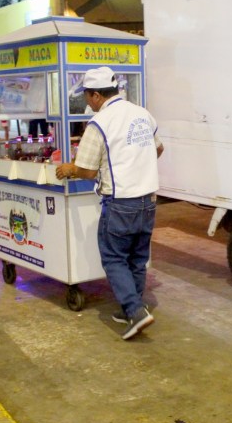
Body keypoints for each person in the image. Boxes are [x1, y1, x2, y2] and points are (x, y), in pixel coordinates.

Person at [55, 67, 164, 340]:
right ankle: (133, 309)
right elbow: (158, 148)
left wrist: (69, 168)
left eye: (87, 97)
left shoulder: (100, 123)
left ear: (94, 95)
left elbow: (88, 170)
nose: (87, 103)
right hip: (148, 200)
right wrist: (137, 166)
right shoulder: (141, 114)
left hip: (121, 203)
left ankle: (135, 310)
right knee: (137, 258)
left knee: (114, 257)